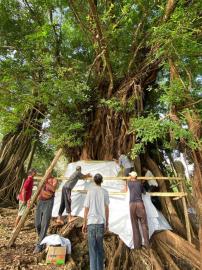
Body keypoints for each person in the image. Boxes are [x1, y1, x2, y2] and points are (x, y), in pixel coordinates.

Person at [82, 173, 109, 270]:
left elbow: (86, 209)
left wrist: (84, 223)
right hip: (100, 223)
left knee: (92, 251)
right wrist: (107, 223)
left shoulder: (90, 192)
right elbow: (106, 209)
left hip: (91, 224)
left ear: (94, 181)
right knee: (100, 250)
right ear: (102, 181)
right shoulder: (105, 192)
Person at [34, 173, 57, 253]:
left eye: (48, 172)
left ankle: (39, 246)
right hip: (40, 201)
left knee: (45, 223)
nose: (47, 173)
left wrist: (46, 183)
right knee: (37, 223)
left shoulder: (54, 180)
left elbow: (53, 190)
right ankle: (43, 239)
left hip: (49, 202)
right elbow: (39, 190)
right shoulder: (43, 179)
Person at [126, 171, 149, 249]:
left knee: (134, 225)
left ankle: (137, 246)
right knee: (144, 224)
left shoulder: (128, 183)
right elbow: (144, 192)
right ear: (136, 177)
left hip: (132, 205)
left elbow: (126, 186)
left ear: (131, 177)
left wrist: (130, 179)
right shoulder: (139, 183)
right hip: (140, 204)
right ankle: (147, 245)